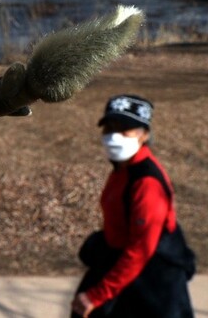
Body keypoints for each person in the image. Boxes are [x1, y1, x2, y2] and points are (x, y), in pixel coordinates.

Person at [71, 95, 195, 318]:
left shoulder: (148, 183)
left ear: (144, 135)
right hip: (125, 273)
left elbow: (141, 249)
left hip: (153, 286)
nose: (113, 136)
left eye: (124, 129)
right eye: (108, 128)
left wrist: (97, 294)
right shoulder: (122, 169)